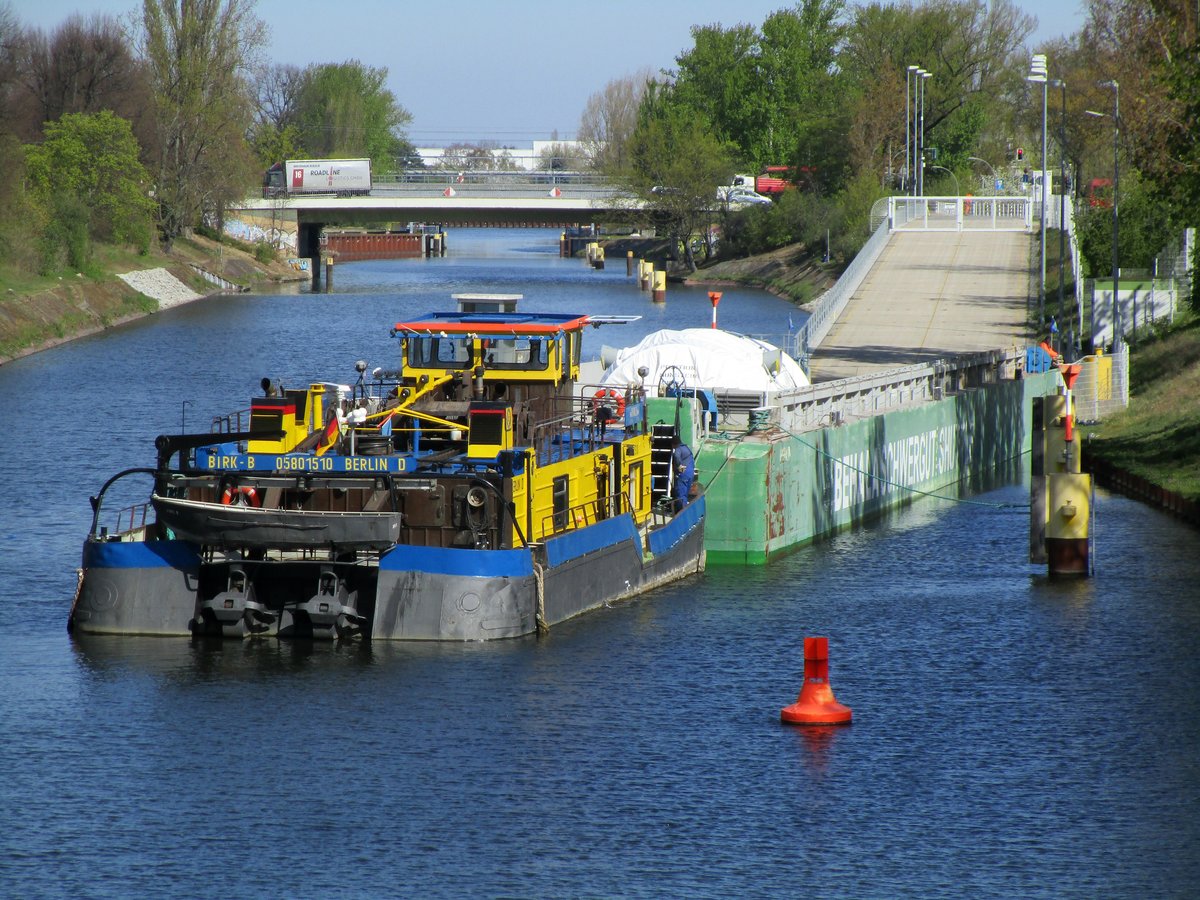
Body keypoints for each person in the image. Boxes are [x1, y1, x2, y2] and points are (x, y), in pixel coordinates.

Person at [671, 436, 695, 512]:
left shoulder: (678, 449)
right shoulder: (686, 448)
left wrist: (679, 466)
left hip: (683, 475)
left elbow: (676, 456)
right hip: (690, 474)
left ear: (674, 444)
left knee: (681, 494)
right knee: (685, 493)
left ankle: (681, 511)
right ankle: (684, 508)